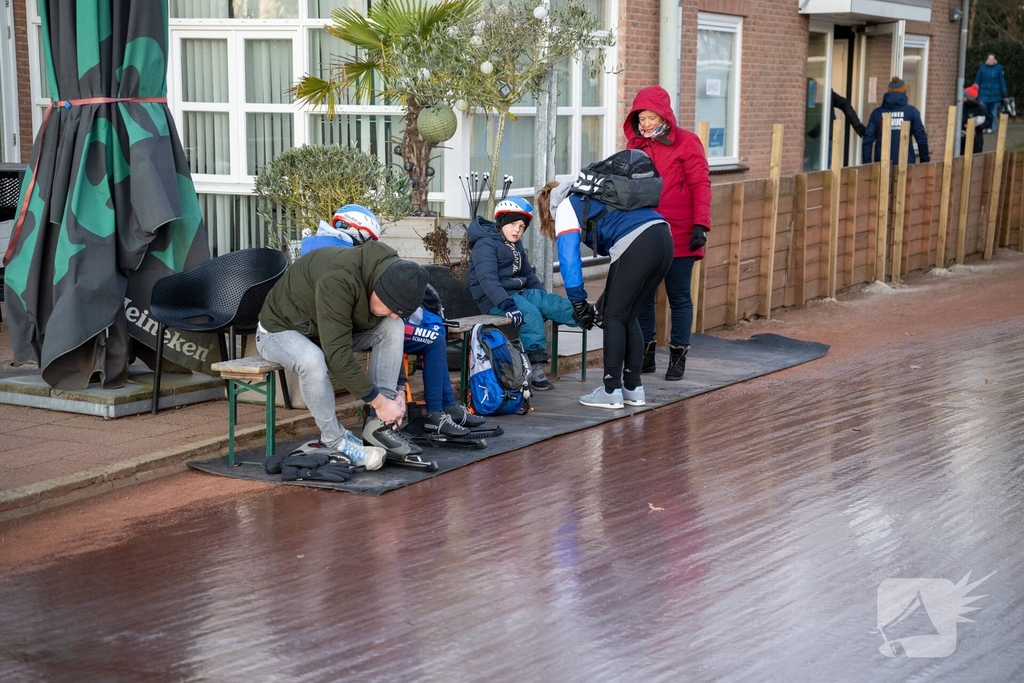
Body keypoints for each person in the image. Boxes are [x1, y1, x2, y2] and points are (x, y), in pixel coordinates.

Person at [300, 205, 485, 439]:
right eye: (367, 239)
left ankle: (445, 408)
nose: (368, 245)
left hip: (360, 324)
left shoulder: (329, 248)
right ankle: (437, 413)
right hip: (351, 329)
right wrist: (398, 382)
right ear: (353, 231)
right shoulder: (338, 257)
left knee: (435, 328)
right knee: (434, 336)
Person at [257, 229, 429, 470]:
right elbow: (336, 355)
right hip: (278, 331)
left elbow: (381, 323)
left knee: (392, 326)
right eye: (391, 307)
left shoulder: (385, 271)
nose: (392, 313)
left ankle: (377, 428)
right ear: (378, 290)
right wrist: (379, 403)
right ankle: (333, 439)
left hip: (323, 330)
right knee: (313, 360)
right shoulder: (339, 281)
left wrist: (398, 390)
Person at [536, 173, 673, 409]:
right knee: (628, 316)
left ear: (548, 208)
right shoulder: (596, 197)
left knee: (615, 318)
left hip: (637, 242)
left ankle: (611, 390)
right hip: (663, 237)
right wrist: (602, 300)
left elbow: (569, 260)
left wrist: (578, 302)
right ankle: (633, 388)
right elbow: (621, 264)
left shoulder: (567, 205)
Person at [624, 85, 712, 381]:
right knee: (644, 295)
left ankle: (678, 355)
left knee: (678, 296)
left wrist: (701, 224)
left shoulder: (687, 143)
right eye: (641, 119)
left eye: (650, 117)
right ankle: (646, 353)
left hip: (680, 232)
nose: (645, 124)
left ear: (663, 115)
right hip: (645, 231)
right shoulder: (634, 148)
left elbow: (701, 184)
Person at [468, 196, 577, 391]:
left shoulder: (514, 244)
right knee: (530, 313)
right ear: (501, 222)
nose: (517, 230)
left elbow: (527, 273)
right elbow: (488, 280)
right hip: (495, 299)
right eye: (512, 224)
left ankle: (590, 315)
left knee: (551, 303)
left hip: (518, 292)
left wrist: (541, 296)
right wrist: (508, 305)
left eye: (521, 226)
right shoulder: (485, 245)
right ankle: (535, 368)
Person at [862, 77, 930, 165]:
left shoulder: (877, 113)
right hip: (906, 165)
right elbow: (921, 138)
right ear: (904, 92)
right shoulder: (911, 112)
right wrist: (925, 162)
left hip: (881, 165)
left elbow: (868, 140)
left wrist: (867, 164)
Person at [973, 53, 1008, 134]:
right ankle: (983, 127)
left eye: (992, 59)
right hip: (983, 93)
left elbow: (1001, 80)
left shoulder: (999, 68)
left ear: (995, 60)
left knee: (993, 112)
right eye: (989, 59)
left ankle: (991, 127)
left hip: (995, 94)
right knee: (983, 111)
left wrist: (1004, 91)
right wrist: (974, 90)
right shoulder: (982, 68)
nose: (991, 60)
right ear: (987, 60)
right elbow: (977, 80)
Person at [962, 84, 993, 155]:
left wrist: (979, 127)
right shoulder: (962, 107)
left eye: (964, 96)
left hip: (976, 141)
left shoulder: (979, 108)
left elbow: (989, 120)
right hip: (963, 141)